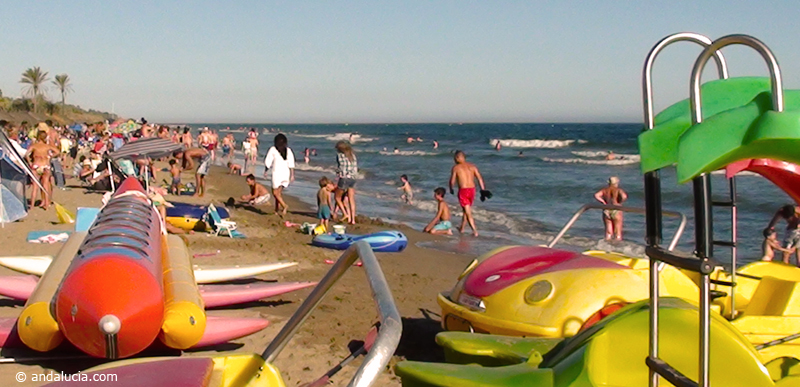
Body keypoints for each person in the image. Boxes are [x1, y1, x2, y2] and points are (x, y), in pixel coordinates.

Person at [449, 150, 486, 236]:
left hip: (463, 191)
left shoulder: (456, 168)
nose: (454, 160)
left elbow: (452, 181)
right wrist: (483, 190)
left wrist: (451, 188)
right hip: (472, 190)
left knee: (467, 211)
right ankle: (462, 228)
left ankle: (474, 230)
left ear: (458, 158)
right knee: (466, 210)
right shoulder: (472, 166)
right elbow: (480, 178)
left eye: (455, 158)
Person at [25, 131, 60, 209]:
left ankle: (32, 205)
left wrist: (30, 162)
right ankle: (46, 204)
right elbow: (57, 152)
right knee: (45, 185)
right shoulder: (47, 146)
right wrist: (50, 156)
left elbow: (26, 154)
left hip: (36, 165)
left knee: (35, 187)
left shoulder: (34, 146)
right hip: (45, 165)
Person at [264, 133, 295, 216]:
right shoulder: (288, 150)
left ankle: (284, 206)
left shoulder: (273, 149)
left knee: (275, 193)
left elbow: (268, 161)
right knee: (278, 194)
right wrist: (292, 175)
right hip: (286, 173)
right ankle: (276, 210)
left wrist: (266, 170)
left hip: (277, 173)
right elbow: (291, 163)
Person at [594, 176, 628, 241]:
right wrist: (620, 202)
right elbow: (624, 196)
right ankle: (616, 247)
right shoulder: (618, 190)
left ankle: (607, 245)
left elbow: (596, 195)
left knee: (608, 232)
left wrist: (603, 202)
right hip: (616, 209)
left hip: (607, 208)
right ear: (617, 183)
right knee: (618, 232)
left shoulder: (605, 190)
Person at [334, 141, 358, 224]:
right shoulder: (352, 156)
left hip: (344, 178)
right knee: (351, 199)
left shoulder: (340, 155)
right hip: (353, 178)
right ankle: (353, 219)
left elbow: (341, 167)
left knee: (337, 197)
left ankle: (345, 214)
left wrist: (337, 172)